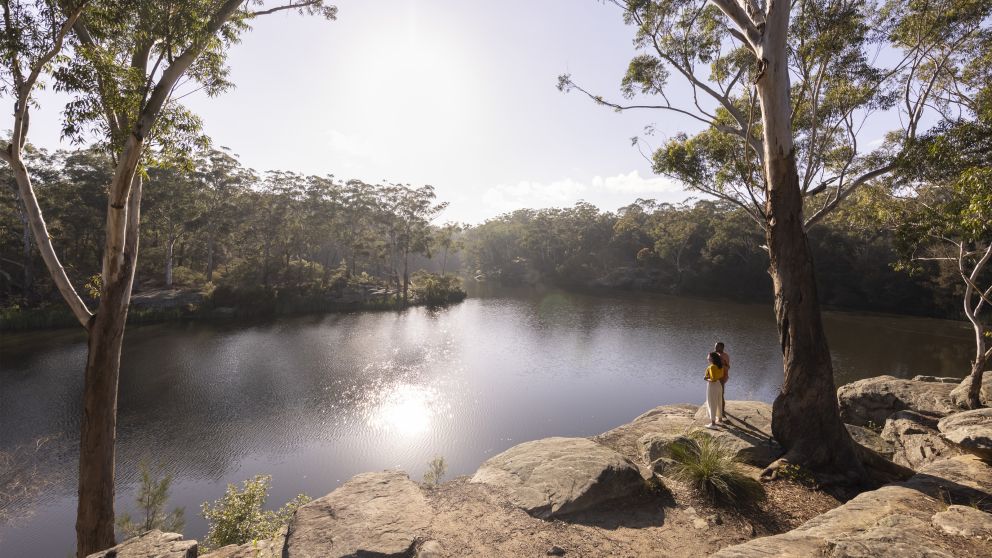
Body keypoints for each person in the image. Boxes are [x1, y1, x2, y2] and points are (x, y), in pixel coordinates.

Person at [704, 352, 725, 428]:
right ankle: (720, 419)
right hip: (719, 385)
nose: (707, 358)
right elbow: (721, 376)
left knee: (712, 403)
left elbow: (713, 379)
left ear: (712, 358)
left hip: (713, 386)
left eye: (708, 356)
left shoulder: (712, 367)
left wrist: (706, 379)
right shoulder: (720, 366)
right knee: (719, 402)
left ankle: (713, 424)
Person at [715, 342, 730, 420]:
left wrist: (721, 365)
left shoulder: (725, 356)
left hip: (722, 377)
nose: (715, 348)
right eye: (715, 346)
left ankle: (722, 412)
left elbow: (728, 367)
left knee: (721, 394)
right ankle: (717, 411)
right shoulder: (714, 354)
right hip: (714, 377)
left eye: (717, 347)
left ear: (722, 348)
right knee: (714, 394)